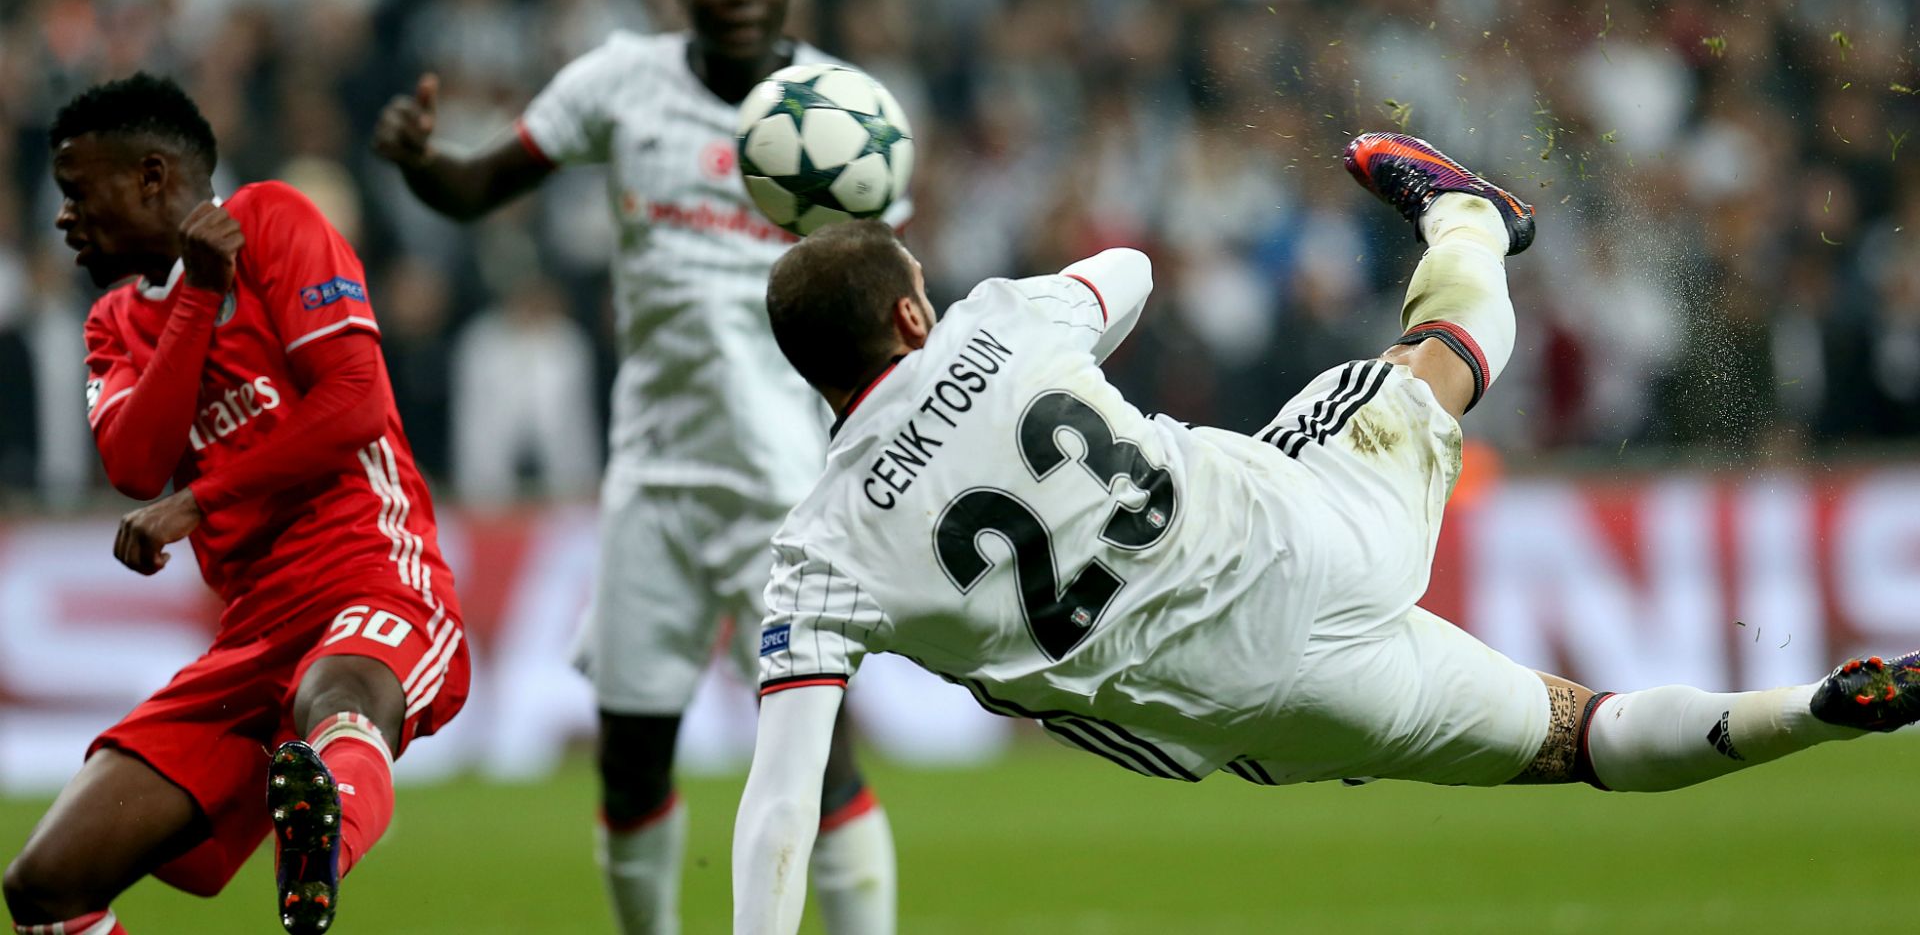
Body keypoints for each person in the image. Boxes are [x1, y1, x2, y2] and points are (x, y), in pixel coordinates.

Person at [732, 132, 1920, 933]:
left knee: (1581, 739)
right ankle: (1469, 219)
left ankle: (1810, 713)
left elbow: (782, 798)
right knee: (1437, 368)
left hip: (1255, 705)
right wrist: (1017, 331)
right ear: (909, 309)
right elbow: (1130, 268)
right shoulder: (997, 324)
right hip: (1305, 534)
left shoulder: (818, 558)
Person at [371, 0, 896, 935]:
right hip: (651, 482)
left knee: (822, 756)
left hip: (788, 491)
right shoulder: (622, 81)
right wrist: (424, 161)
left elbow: (884, 303)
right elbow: (480, 186)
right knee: (628, 760)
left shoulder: (840, 112)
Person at [2, 74, 469, 935]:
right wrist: (197, 297)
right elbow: (139, 467)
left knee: (333, 702)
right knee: (45, 886)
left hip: (372, 568)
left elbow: (357, 401)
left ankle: (319, 850)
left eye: (76, 193)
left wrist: (199, 502)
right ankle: (313, 820)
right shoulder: (112, 321)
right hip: (251, 631)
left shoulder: (276, 218)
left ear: (151, 176)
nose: (61, 219)